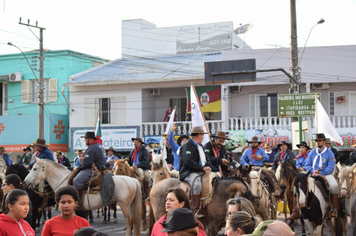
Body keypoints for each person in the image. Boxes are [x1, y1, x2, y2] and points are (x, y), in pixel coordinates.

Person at [300, 133, 339, 218]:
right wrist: (313, 171)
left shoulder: (330, 153)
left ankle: (334, 208)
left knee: (334, 186)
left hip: (326, 174)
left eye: (319, 141)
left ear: (324, 142)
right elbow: (307, 165)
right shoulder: (312, 153)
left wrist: (320, 173)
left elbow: (331, 167)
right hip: (312, 174)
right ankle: (297, 209)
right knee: (300, 183)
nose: (318, 142)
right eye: (316, 141)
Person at [179, 126, 213, 218]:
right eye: (202, 135)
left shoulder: (201, 146)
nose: (203, 137)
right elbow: (188, 162)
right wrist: (202, 168)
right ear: (199, 135)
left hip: (200, 170)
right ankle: (196, 210)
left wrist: (208, 167)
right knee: (197, 183)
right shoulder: (186, 145)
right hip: (189, 172)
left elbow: (207, 159)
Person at [73, 131, 106, 209]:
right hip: (100, 169)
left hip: (94, 170)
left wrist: (77, 168)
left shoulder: (92, 148)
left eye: (85, 139)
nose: (84, 140)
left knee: (76, 181)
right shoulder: (98, 146)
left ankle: (79, 203)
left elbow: (87, 162)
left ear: (89, 139)